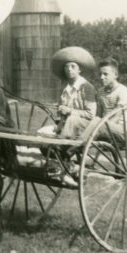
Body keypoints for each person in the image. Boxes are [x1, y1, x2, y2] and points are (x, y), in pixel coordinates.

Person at [38, 46, 97, 187]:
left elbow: (91, 114)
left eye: (72, 66)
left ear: (79, 69)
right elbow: (61, 113)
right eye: (66, 67)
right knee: (41, 133)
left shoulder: (86, 87)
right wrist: (60, 113)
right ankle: (61, 164)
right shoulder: (66, 89)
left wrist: (69, 111)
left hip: (85, 126)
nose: (69, 69)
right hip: (67, 126)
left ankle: (62, 161)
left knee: (71, 120)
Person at [97, 58, 127, 145]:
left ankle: (70, 151)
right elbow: (98, 114)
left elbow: (116, 117)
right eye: (100, 74)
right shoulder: (100, 92)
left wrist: (98, 125)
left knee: (95, 123)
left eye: (105, 74)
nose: (101, 77)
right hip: (104, 127)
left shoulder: (123, 91)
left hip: (121, 131)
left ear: (115, 75)